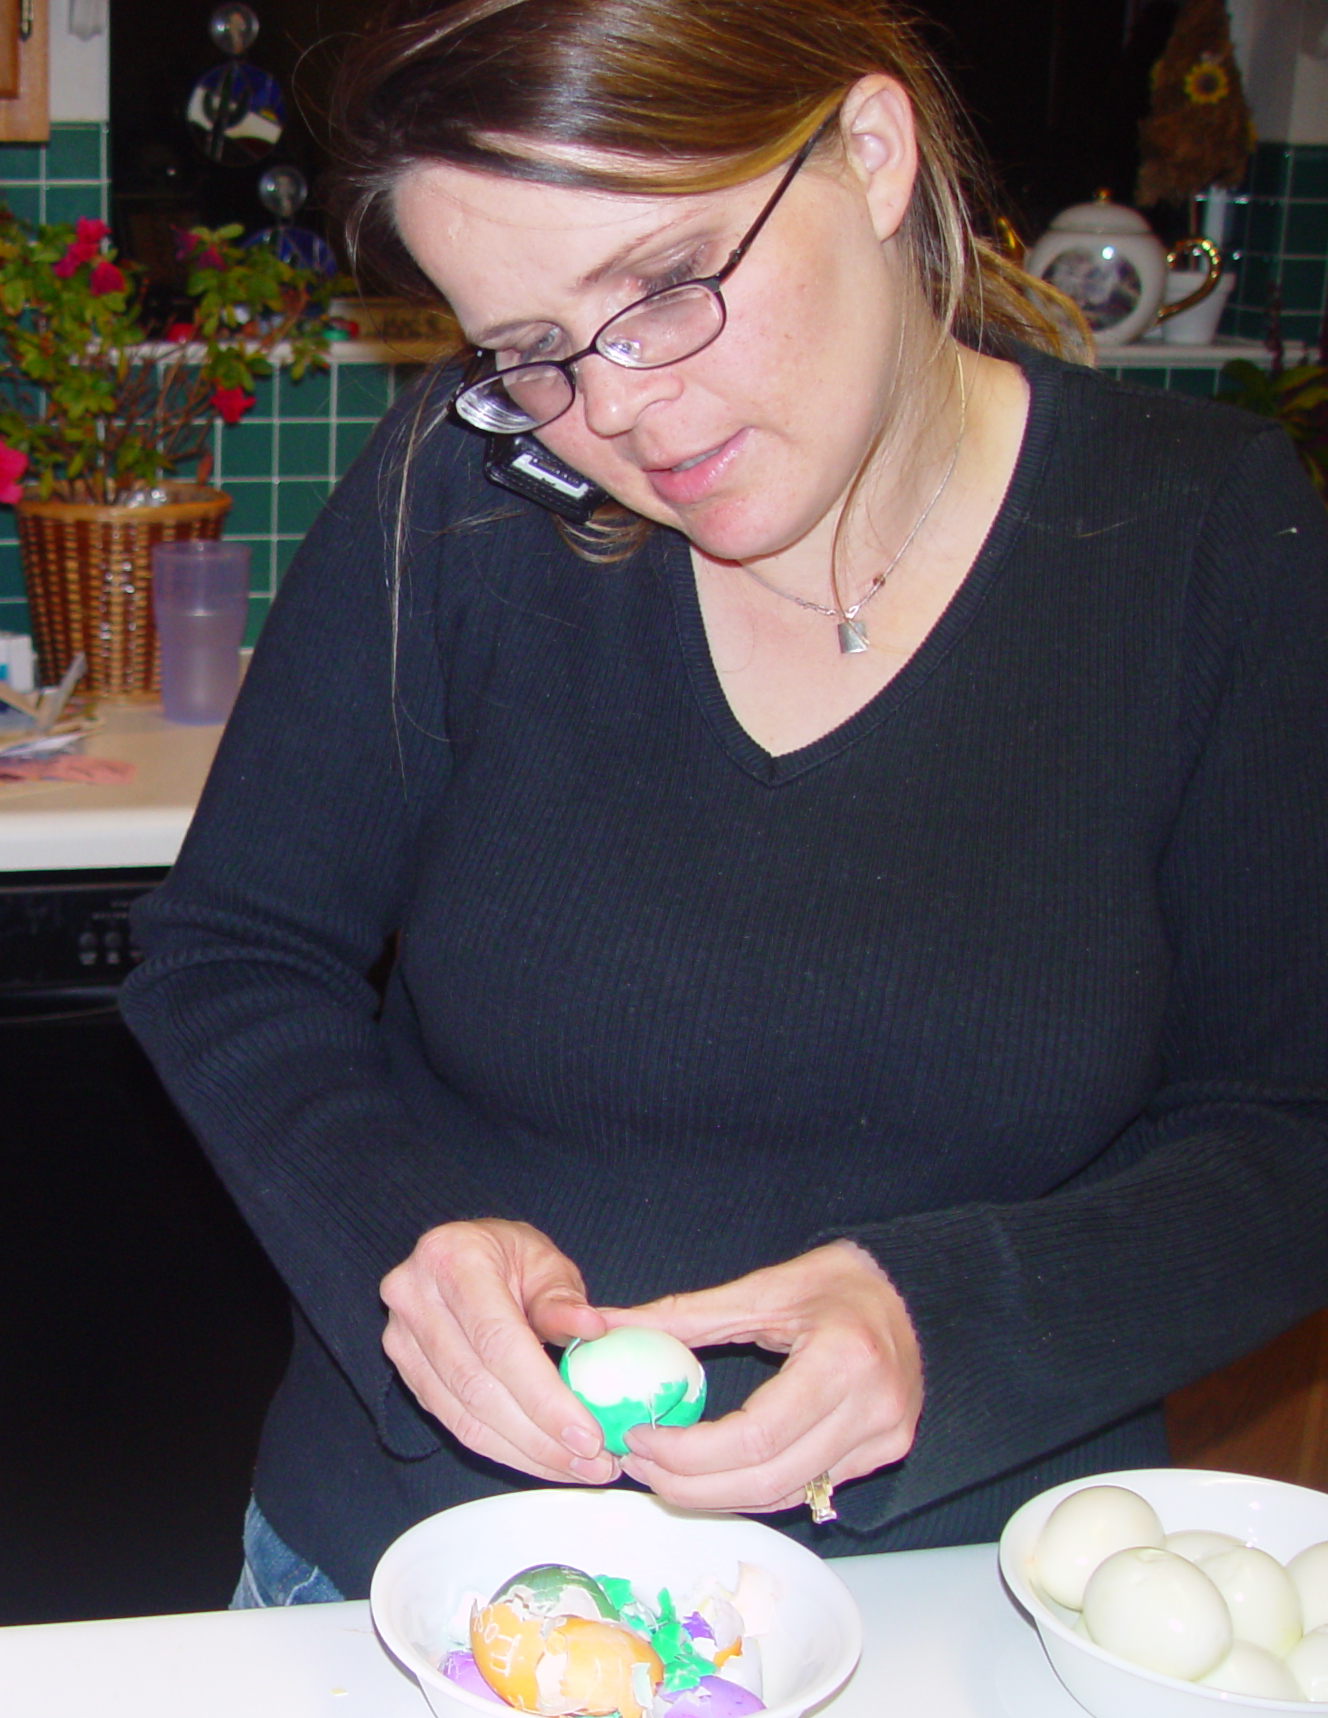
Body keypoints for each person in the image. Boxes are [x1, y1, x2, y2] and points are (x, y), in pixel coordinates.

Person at [122, 0, 1328, 1606]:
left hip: (956, 1610)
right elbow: (230, 953)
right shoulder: (465, 499)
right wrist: (401, 1241)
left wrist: (949, 1318)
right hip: (426, 1576)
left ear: (874, 153)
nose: (611, 410)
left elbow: (1291, 1127)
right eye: (526, 355)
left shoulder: (1205, 543)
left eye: (663, 289)